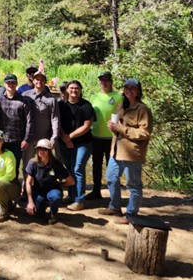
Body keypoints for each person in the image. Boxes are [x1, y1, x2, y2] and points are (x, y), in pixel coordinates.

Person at [100, 78, 153, 224]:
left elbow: (145, 133)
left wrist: (121, 129)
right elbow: (117, 127)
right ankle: (115, 207)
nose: (129, 91)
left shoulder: (143, 109)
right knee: (111, 177)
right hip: (116, 150)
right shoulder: (121, 106)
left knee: (133, 185)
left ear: (138, 91)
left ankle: (131, 215)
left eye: (132, 88)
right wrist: (113, 127)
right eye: (126, 88)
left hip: (132, 153)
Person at [58, 80, 96, 211]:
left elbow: (87, 125)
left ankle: (79, 200)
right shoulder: (61, 105)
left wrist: (70, 137)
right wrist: (65, 138)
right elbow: (58, 123)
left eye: (77, 88)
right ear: (67, 90)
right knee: (69, 169)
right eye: (71, 88)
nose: (74, 91)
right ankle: (71, 195)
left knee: (78, 169)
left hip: (83, 143)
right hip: (63, 142)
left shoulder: (86, 105)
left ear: (80, 90)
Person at [87, 71, 123, 201]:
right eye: (102, 80)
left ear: (111, 82)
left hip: (112, 138)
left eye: (107, 80)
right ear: (99, 82)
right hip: (96, 136)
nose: (104, 82)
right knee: (96, 165)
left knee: (112, 167)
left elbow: (123, 115)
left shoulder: (118, 97)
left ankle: (113, 195)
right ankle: (96, 190)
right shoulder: (94, 97)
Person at [25, 139, 74, 225]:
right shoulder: (32, 163)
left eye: (45, 149)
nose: (41, 151)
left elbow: (71, 181)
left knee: (55, 197)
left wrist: (59, 184)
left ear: (50, 151)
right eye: (39, 148)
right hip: (38, 190)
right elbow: (28, 182)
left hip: (52, 189)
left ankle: (53, 213)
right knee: (39, 210)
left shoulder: (56, 164)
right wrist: (30, 201)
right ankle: (41, 210)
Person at [0, 74, 32, 182]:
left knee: (14, 168)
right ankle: (0, 192)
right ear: (4, 84)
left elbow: (29, 122)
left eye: (13, 82)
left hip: (17, 140)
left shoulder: (24, 101)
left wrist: (26, 139)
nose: (11, 85)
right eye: (8, 82)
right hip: (1, 140)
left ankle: (14, 193)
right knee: (0, 166)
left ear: (16, 84)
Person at [23, 70, 60, 172]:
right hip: (28, 138)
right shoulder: (25, 95)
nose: (39, 81)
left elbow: (55, 119)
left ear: (45, 81)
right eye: (37, 79)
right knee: (27, 164)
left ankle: (43, 186)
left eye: (42, 79)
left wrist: (54, 138)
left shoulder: (51, 99)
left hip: (44, 138)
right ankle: (27, 185)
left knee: (45, 165)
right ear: (33, 81)